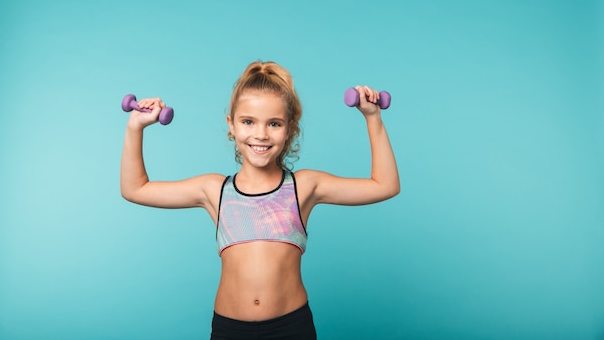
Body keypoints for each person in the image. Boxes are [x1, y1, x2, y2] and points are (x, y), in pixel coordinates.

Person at [120, 61, 400, 340]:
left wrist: (372, 117)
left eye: (274, 123)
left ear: (290, 128)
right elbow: (135, 189)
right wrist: (136, 127)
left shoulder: (303, 186)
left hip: (291, 329)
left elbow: (384, 186)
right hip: (230, 331)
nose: (261, 134)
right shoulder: (214, 190)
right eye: (248, 121)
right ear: (231, 125)